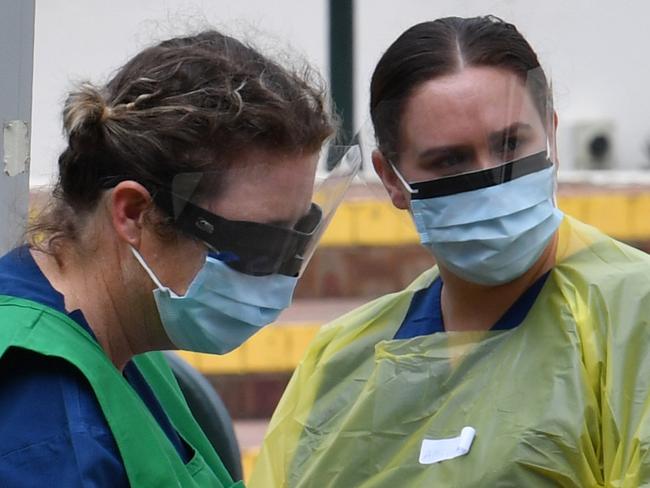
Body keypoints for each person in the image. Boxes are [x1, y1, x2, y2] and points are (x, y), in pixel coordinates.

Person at [250, 16, 650, 487]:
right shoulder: (340, 360)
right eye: (450, 160)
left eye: (509, 144)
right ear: (392, 180)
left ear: (553, 136)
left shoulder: (633, 314)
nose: (492, 179)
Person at [0, 30, 359, 487]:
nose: (281, 280)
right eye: (260, 244)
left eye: (301, 234)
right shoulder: (45, 421)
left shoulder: (123, 343)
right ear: (133, 213)